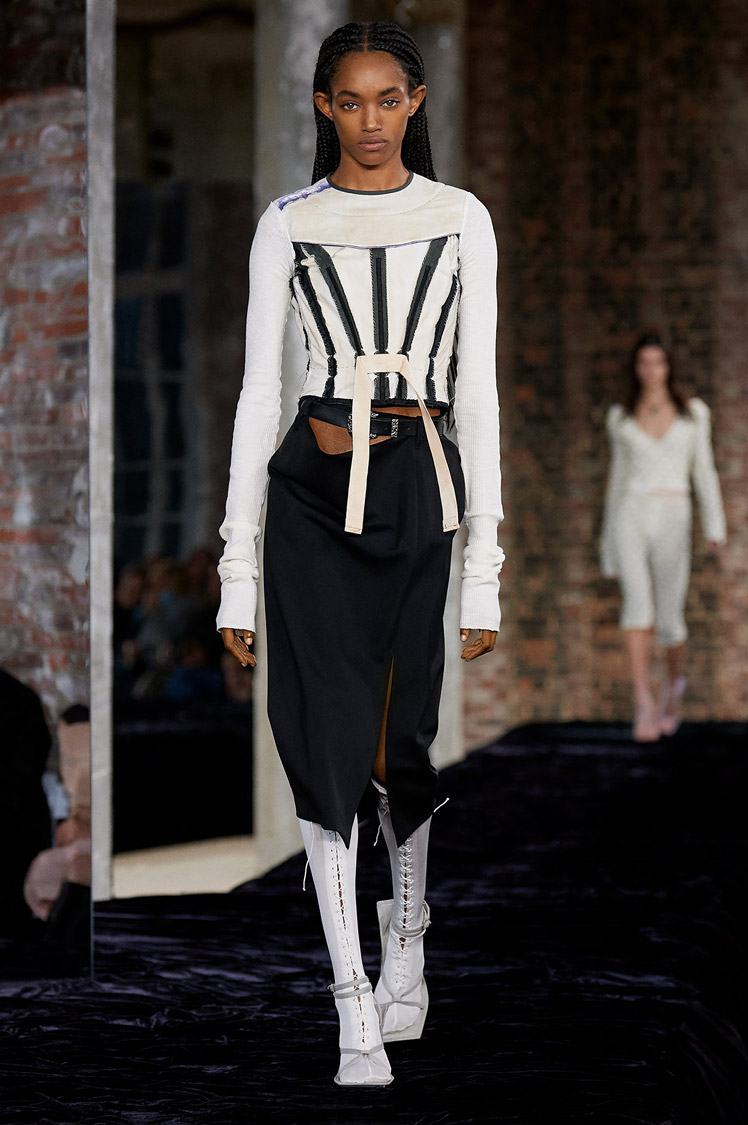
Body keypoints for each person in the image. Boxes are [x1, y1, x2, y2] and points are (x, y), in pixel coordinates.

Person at [216, 21, 504, 1086]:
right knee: (321, 743)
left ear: (416, 102)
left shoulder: (460, 217)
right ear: (324, 107)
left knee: (399, 747)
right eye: (351, 100)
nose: (370, 119)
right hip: (308, 499)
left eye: (389, 99)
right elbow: (261, 392)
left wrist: (486, 568)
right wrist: (236, 568)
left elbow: (477, 394)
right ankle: (350, 1005)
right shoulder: (289, 222)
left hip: (421, 489)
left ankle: (408, 943)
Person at [600, 331, 726, 742]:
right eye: (644, 362)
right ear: (636, 368)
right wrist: (607, 545)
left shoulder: (693, 413)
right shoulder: (621, 416)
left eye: (658, 362)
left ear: (669, 367)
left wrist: (714, 525)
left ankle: (674, 690)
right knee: (637, 608)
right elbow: (617, 480)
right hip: (631, 513)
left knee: (671, 619)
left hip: (674, 512)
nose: (651, 370)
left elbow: (703, 469)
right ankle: (643, 702)